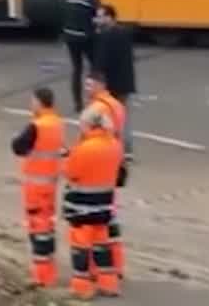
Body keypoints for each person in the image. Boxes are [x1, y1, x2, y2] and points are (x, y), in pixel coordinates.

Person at [62, 108, 123, 300]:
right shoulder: (115, 145)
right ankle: (109, 284)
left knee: (80, 247)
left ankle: (82, 287)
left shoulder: (85, 148)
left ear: (88, 125)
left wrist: (69, 156)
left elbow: (71, 173)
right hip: (104, 204)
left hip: (82, 206)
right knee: (102, 245)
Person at [10, 87, 65, 288]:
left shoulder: (36, 126)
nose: (31, 105)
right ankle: (49, 271)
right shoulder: (57, 123)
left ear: (39, 102)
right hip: (50, 185)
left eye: (32, 101)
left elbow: (18, 147)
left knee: (37, 231)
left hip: (35, 187)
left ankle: (42, 277)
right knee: (48, 228)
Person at [82, 69, 127, 282]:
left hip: (97, 167)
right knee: (111, 218)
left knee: (93, 222)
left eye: (90, 85)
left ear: (100, 85)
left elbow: (87, 138)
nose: (86, 89)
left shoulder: (95, 109)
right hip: (113, 161)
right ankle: (116, 266)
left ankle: (94, 268)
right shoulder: (117, 105)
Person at [92, 5, 136, 159]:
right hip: (126, 81)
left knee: (109, 117)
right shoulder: (125, 33)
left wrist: (95, 77)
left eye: (101, 16)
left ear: (110, 17)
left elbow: (101, 61)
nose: (97, 20)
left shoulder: (105, 36)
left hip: (111, 84)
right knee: (124, 116)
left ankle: (113, 148)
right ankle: (127, 150)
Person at [62, 0, 100, 111]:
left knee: (77, 69)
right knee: (95, 67)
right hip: (85, 37)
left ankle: (77, 104)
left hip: (70, 36)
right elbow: (97, 18)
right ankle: (94, 100)